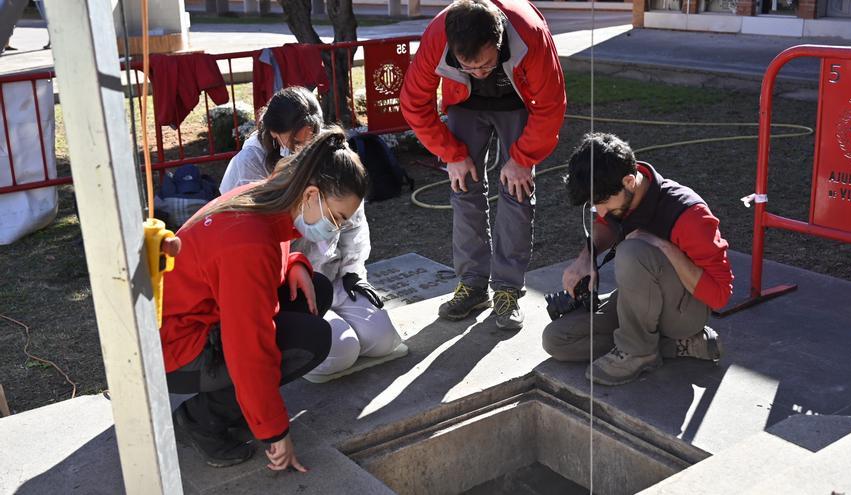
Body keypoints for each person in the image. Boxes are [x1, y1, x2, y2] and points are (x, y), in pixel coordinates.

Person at [162, 128, 368, 470]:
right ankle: (200, 418)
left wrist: (294, 263)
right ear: (312, 194)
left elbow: (270, 251)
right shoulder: (247, 244)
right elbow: (248, 347)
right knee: (312, 339)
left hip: (192, 323)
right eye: (337, 218)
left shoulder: (264, 198)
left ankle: (236, 404)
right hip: (175, 353)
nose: (336, 228)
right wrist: (274, 430)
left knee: (315, 289)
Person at [401, 0, 566, 330]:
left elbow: (551, 105)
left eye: (486, 65)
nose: (478, 73)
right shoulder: (438, 34)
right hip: (465, 104)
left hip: (519, 102)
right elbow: (414, 103)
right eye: (469, 67)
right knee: (463, 187)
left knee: (516, 189)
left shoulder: (530, 33)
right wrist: (451, 154)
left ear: (500, 40)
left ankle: (507, 290)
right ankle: (472, 285)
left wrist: (521, 159)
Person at [220, 87, 402, 381]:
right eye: (296, 142)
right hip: (288, 286)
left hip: (332, 274)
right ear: (275, 133)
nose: (305, 148)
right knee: (341, 352)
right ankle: (291, 343)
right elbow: (250, 242)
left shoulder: (329, 153)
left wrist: (354, 271)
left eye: (311, 138)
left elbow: (353, 219)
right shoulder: (249, 166)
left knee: (381, 340)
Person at [542, 133, 733, 386]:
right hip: (643, 305)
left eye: (602, 203)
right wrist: (586, 258)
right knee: (557, 340)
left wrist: (660, 245)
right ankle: (671, 347)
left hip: (684, 313)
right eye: (593, 205)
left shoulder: (690, 215)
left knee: (632, 251)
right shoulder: (618, 193)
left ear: (630, 181)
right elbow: (606, 226)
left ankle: (639, 352)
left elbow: (720, 295)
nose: (600, 212)